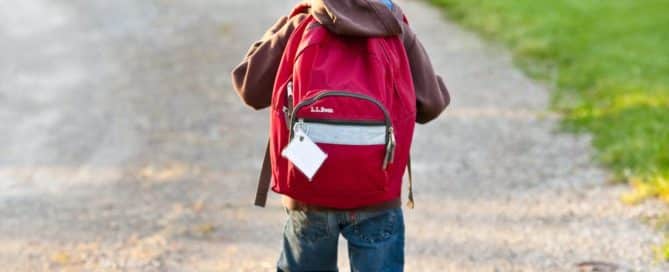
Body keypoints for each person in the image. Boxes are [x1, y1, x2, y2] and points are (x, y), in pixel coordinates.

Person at [231, 0, 450, 271]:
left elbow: (249, 88)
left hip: (309, 189)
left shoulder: (304, 22)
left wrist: (285, 24)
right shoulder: (394, 28)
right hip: (377, 193)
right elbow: (431, 106)